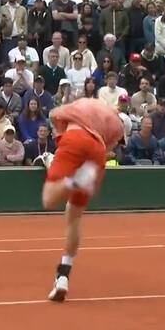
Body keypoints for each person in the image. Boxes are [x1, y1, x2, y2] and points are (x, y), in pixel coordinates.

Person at [41, 98, 123, 301]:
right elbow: (111, 146)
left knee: (49, 199)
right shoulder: (113, 120)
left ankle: (73, 182)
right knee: (74, 216)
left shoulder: (76, 106)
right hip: (97, 152)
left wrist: (53, 159)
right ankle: (63, 276)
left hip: (75, 139)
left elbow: (54, 117)